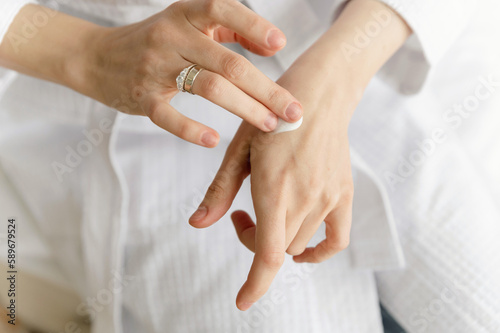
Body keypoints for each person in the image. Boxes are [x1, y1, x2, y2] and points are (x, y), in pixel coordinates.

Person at [1, 0, 499, 333]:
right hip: (131, 93)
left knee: (481, 307)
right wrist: (91, 56)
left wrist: (334, 79)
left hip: (352, 38)